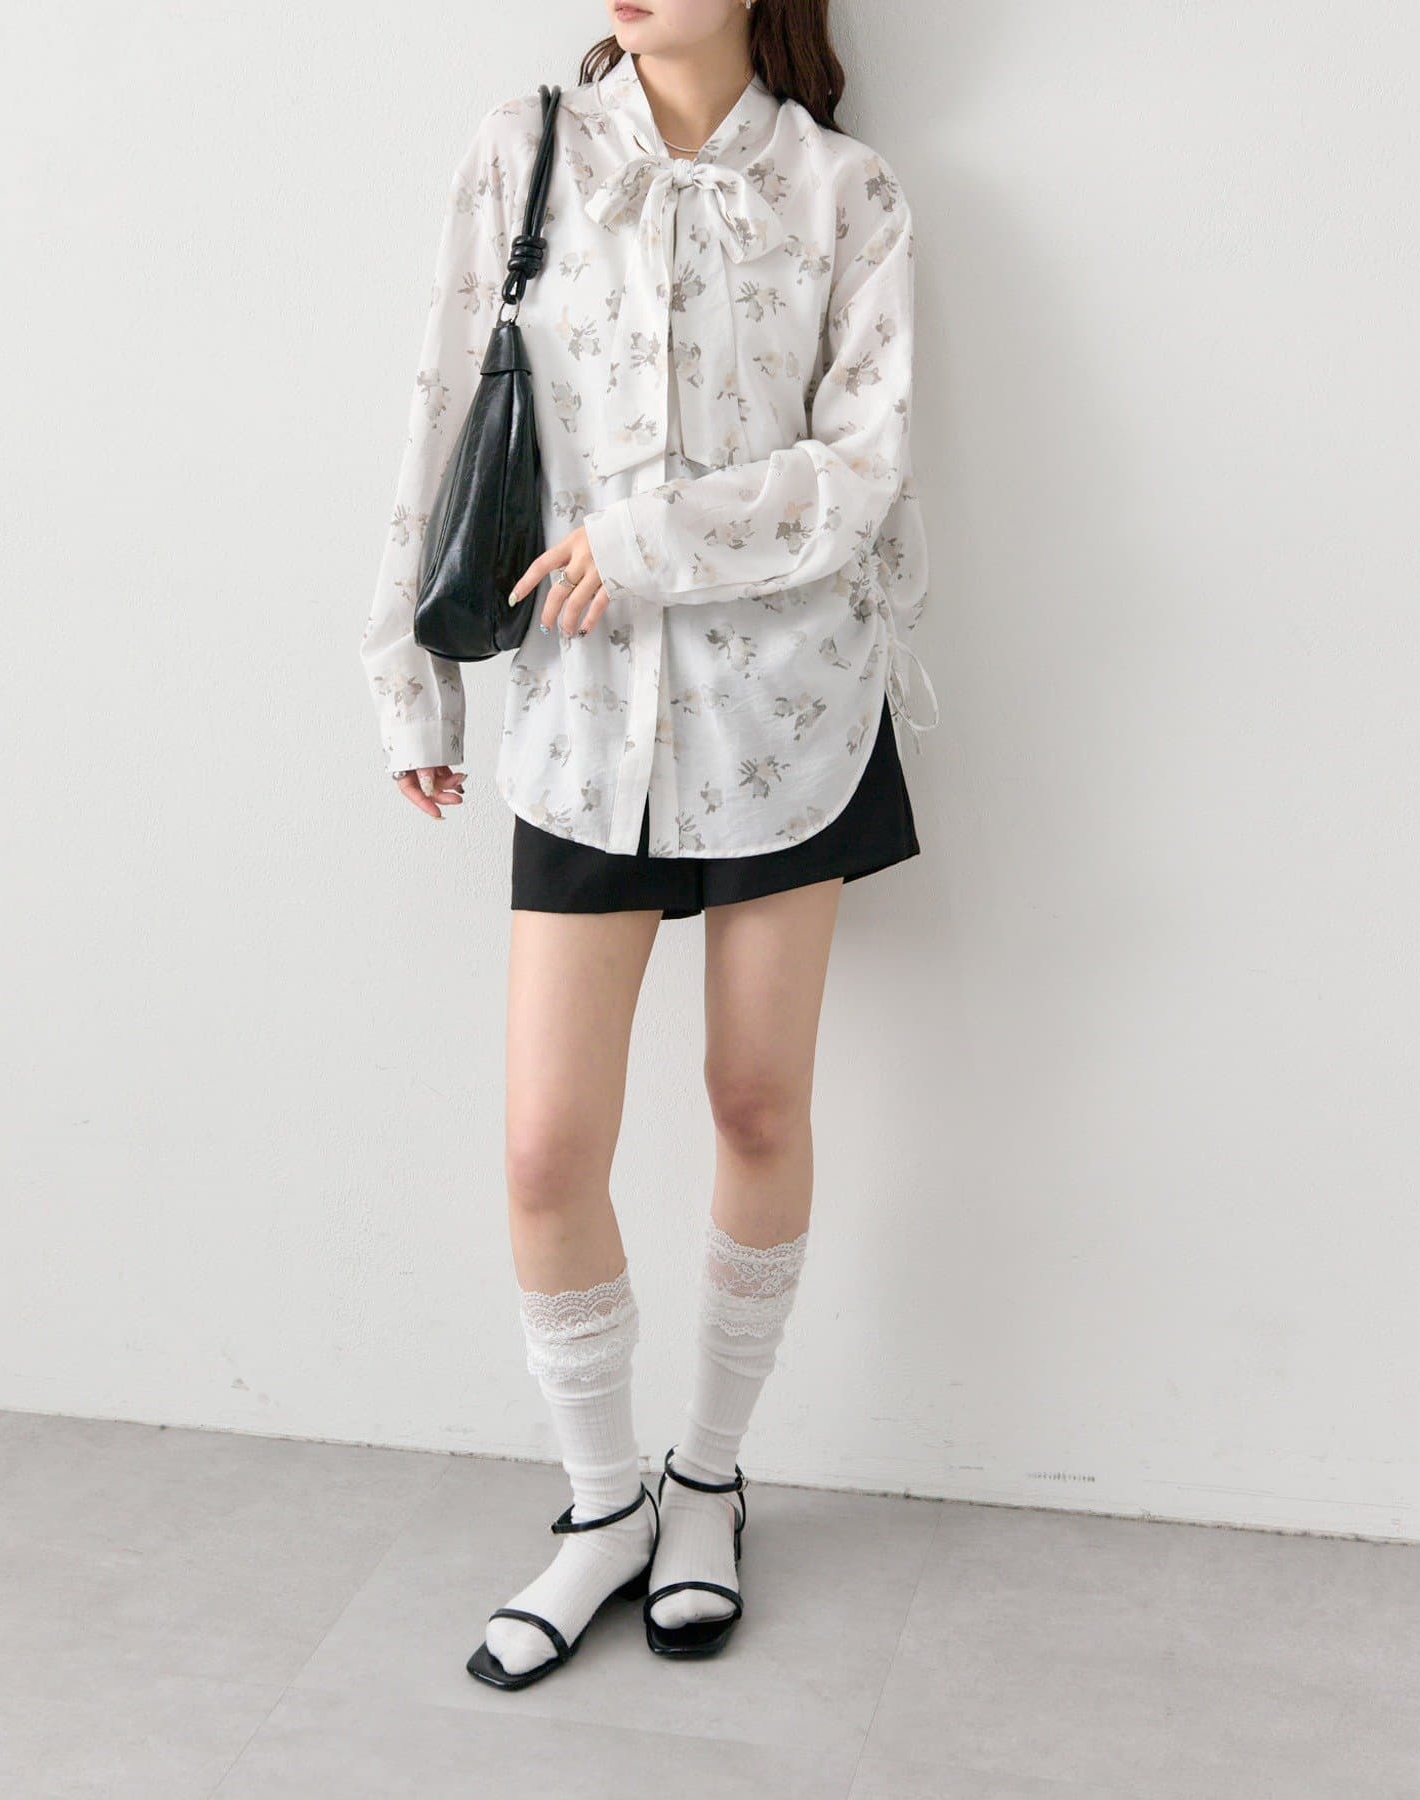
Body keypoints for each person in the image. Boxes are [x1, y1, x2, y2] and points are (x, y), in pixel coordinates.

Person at [359, 0, 938, 1690]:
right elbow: (441, 411)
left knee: (756, 1106)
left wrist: (646, 537)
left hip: (789, 712)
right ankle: (602, 1505)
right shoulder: (524, 153)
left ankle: (709, 1483)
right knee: (548, 1151)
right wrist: (408, 674)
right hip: (581, 717)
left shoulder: (846, 192)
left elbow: (865, 473)